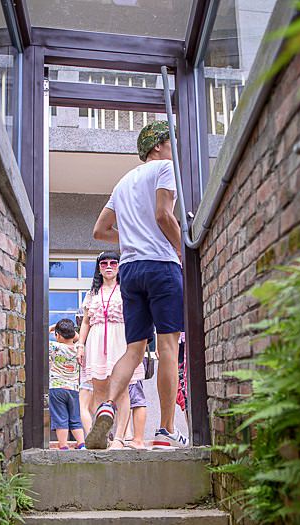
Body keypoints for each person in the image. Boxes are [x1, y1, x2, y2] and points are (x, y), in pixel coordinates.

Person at [88, 120, 189, 450]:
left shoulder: (123, 182)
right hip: (160, 266)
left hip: (130, 271)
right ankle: (165, 431)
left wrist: (130, 238)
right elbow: (163, 214)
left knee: (134, 350)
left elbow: (100, 231)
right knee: (168, 348)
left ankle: (106, 406)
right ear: (158, 146)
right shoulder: (165, 167)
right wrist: (181, 248)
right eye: (170, 142)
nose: (175, 148)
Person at [77, 250, 142, 449]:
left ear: (119, 267)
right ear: (98, 268)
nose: (108, 266)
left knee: (122, 390)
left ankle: (121, 438)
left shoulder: (127, 290)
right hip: (96, 341)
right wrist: (80, 345)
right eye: (103, 263)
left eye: (113, 263)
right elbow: (86, 322)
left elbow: (138, 319)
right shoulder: (92, 294)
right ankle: (103, 436)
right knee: (98, 390)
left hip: (120, 340)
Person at [48, 318, 85, 449]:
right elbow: (81, 338)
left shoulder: (54, 347)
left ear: (57, 335)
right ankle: (81, 444)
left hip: (56, 388)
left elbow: (40, 339)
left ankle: (63, 446)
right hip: (73, 389)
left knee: (60, 418)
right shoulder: (79, 349)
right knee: (75, 418)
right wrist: (74, 333)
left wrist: (51, 328)